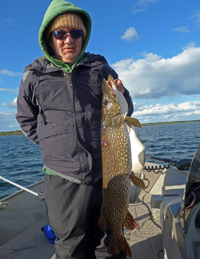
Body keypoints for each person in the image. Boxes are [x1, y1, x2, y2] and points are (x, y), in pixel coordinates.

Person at [16, 0, 134, 258]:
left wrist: (122, 94)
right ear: (50, 38)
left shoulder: (99, 67)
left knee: (108, 242)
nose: (68, 40)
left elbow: (126, 109)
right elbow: (25, 118)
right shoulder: (34, 75)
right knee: (71, 245)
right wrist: (53, 145)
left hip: (106, 172)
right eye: (60, 34)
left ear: (84, 36)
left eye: (76, 33)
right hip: (62, 176)